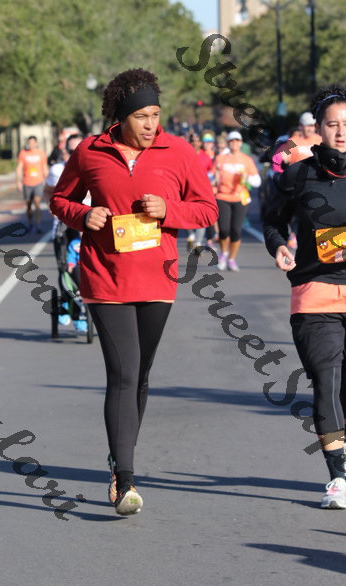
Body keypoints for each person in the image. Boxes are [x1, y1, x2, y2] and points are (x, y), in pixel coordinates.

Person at [51, 68, 217, 516]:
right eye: (142, 116)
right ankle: (124, 480)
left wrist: (169, 210)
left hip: (157, 279)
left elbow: (207, 209)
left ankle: (118, 456)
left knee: (140, 375)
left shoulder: (178, 151)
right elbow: (60, 199)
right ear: (121, 118)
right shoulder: (90, 151)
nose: (150, 124)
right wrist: (82, 216)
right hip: (105, 276)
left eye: (155, 115)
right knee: (123, 372)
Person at [263, 84, 346, 509]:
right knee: (327, 380)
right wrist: (279, 244)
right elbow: (272, 220)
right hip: (315, 295)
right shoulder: (299, 175)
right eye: (333, 124)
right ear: (319, 130)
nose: (341, 131)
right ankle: (339, 475)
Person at [215, 130, 261, 271]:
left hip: (240, 198)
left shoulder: (246, 160)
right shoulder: (220, 158)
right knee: (224, 230)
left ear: (241, 143)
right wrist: (214, 180)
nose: (234, 143)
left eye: (237, 140)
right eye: (232, 141)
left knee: (236, 230)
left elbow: (257, 181)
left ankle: (231, 259)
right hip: (222, 196)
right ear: (228, 143)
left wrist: (247, 178)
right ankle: (224, 253)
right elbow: (211, 176)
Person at [16, 136, 48, 233]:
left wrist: (46, 179)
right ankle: (30, 223)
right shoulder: (23, 153)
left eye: (33, 142)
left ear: (36, 143)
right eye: (29, 142)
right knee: (29, 204)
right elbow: (19, 168)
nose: (31, 144)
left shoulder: (41, 153)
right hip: (27, 182)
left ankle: (38, 224)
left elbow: (45, 166)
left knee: (37, 202)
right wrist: (18, 182)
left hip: (38, 181)